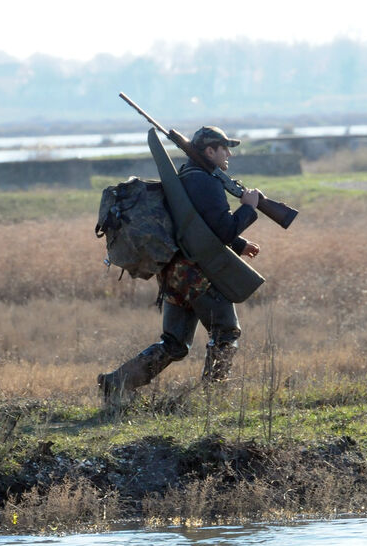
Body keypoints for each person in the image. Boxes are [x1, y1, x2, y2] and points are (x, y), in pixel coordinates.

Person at [97, 126, 262, 401]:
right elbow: (221, 229)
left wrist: (239, 245)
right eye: (224, 148)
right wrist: (248, 207)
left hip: (174, 272)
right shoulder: (206, 182)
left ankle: (117, 382)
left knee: (174, 343)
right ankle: (215, 397)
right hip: (196, 272)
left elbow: (197, 225)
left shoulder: (186, 177)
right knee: (225, 331)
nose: (229, 154)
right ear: (210, 151)